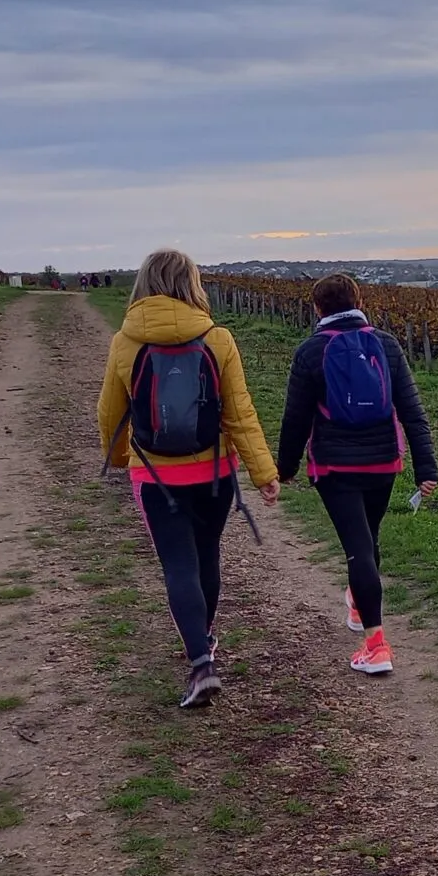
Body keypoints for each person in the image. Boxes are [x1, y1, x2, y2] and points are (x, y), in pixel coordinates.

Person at [99, 249, 279, 708]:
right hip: (215, 472)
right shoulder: (218, 338)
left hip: (155, 474)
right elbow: (240, 412)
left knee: (178, 564)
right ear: (192, 283)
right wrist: (263, 473)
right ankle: (206, 640)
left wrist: (119, 457)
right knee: (206, 556)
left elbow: (110, 412)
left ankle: (201, 662)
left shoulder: (125, 341)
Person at [276, 273, 438, 676]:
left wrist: (286, 468)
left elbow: (295, 418)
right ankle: (357, 599)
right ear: (359, 299)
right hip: (384, 462)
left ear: (318, 308)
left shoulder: (311, 351)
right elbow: (412, 411)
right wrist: (426, 468)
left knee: (357, 548)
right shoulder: (386, 344)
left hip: (335, 466)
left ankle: (376, 645)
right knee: (368, 538)